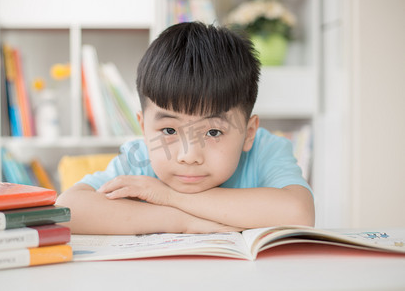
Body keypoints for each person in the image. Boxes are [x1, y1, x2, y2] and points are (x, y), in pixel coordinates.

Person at [56, 22, 315, 234]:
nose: (188, 155)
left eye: (213, 132)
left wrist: (170, 196)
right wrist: (181, 221)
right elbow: (68, 209)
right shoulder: (141, 158)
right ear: (144, 127)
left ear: (248, 133)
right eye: (169, 131)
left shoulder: (265, 149)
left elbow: (299, 213)